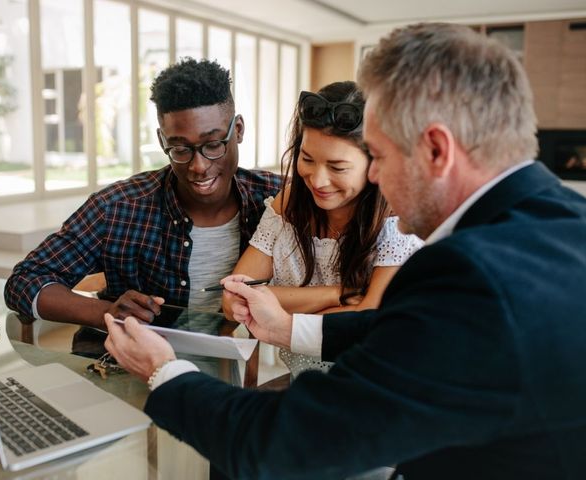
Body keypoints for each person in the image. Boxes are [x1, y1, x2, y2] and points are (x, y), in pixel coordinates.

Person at [104, 23, 586, 480]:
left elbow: (281, 446)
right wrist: (288, 328)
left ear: (436, 150)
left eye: (377, 155)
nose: (372, 177)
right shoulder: (563, 221)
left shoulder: (472, 273)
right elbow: (404, 329)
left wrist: (163, 370)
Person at [4, 58, 281, 338]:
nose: (198, 166)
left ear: (239, 130)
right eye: (180, 149)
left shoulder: (278, 200)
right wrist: (106, 313)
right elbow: (24, 281)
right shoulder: (118, 208)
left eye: (212, 145)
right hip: (126, 369)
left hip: (237, 372)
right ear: (162, 141)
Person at [222, 81, 422, 377]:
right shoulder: (288, 204)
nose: (318, 180)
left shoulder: (397, 217)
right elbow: (234, 301)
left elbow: (368, 321)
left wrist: (277, 308)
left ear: (375, 163)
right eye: (307, 159)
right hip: (304, 388)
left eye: (337, 167)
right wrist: (338, 294)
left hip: (378, 392)